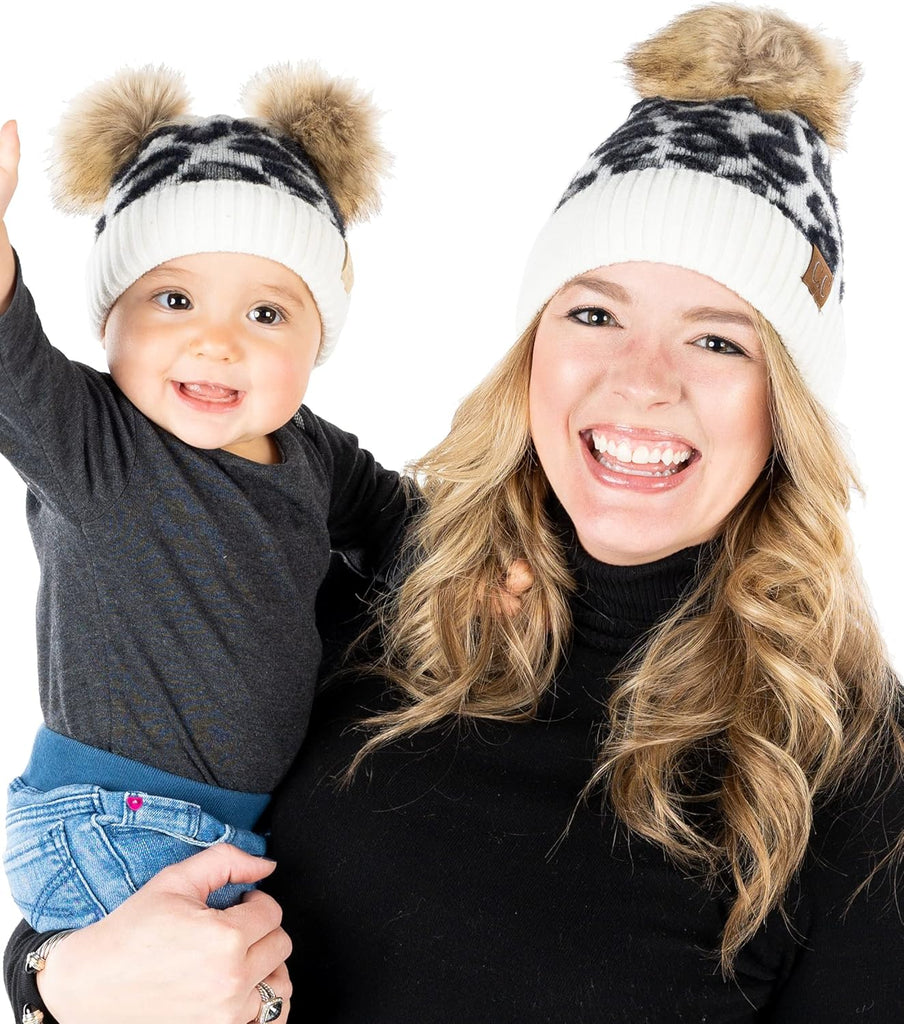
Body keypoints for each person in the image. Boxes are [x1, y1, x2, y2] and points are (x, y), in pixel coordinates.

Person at [5, 4, 903, 1022]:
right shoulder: (371, 605)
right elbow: (114, 897)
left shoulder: (855, 776)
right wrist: (55, 985)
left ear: (789, 404)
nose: (641, 382)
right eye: (594, 314)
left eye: (718, 342)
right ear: (531, 350)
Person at [0, 61, 405, 949]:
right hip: (114, 822)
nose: (216, 341)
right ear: (109, 319)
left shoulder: (311, 448)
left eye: (267, 314)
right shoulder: (96, 443)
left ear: (320, 338)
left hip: (221, 831)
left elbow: (392, 521)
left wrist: (492, 574)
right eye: (173, 299)